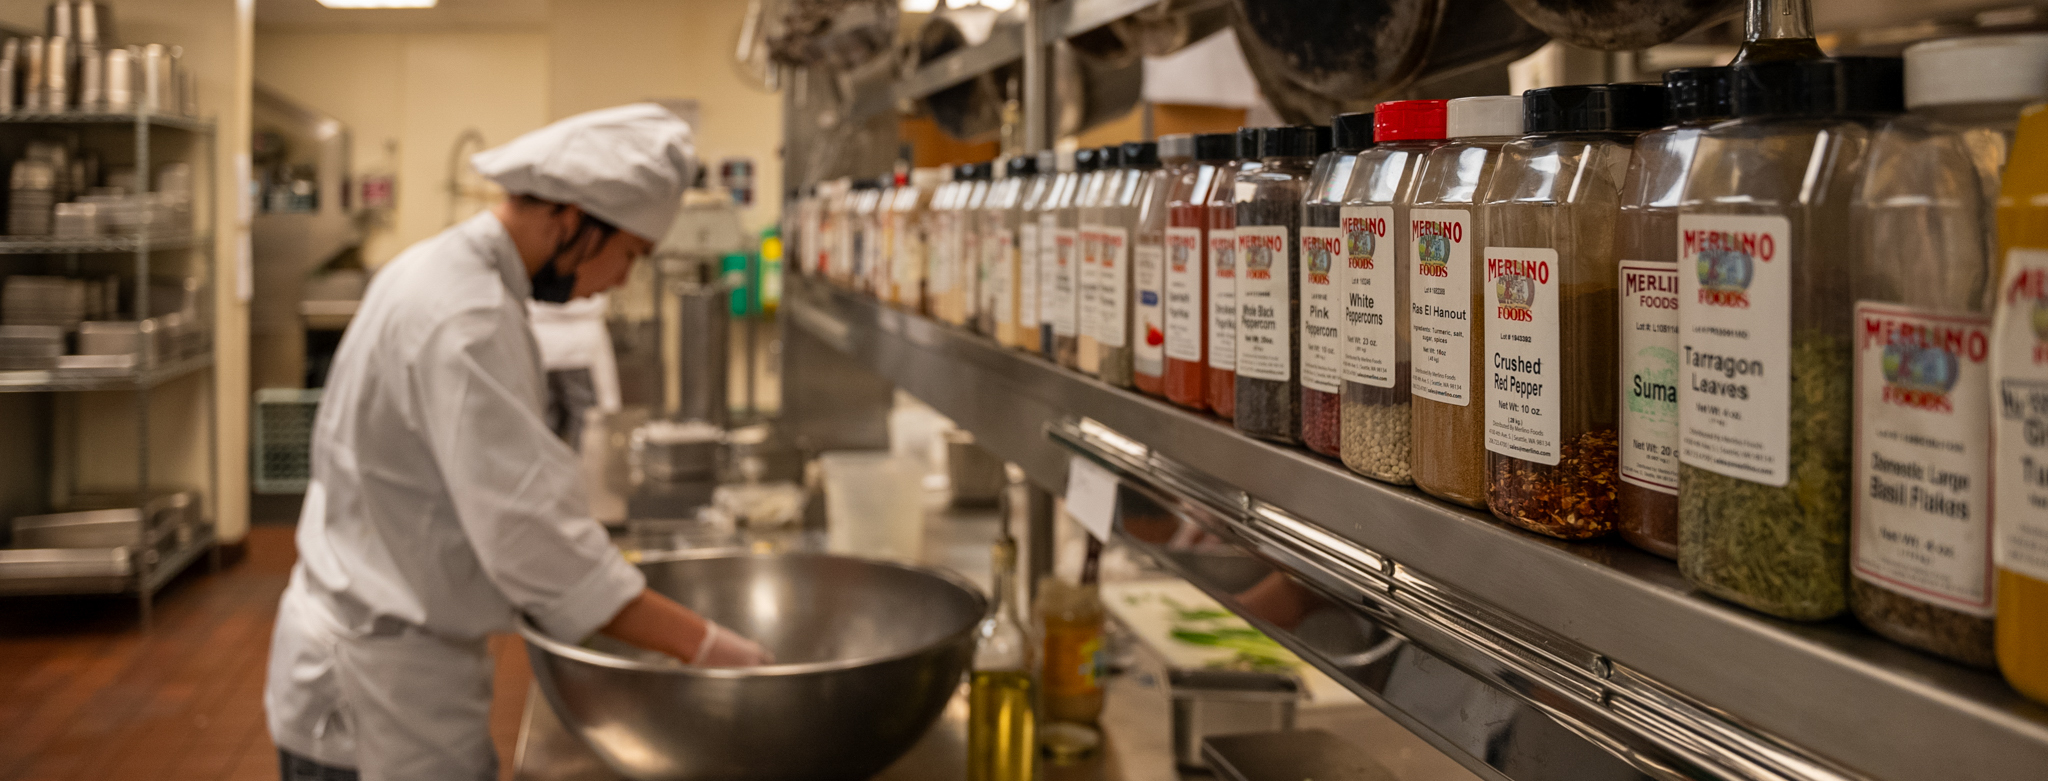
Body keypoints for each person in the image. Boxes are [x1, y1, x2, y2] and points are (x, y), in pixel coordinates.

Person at [264, 104, 770, 781]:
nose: (621, 279)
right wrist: (710, 646)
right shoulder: (465, 317)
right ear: (573, 219)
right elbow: (535, 543)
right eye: (630, 253)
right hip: (381, 697)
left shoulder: (443, 273)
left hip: (375, 657)